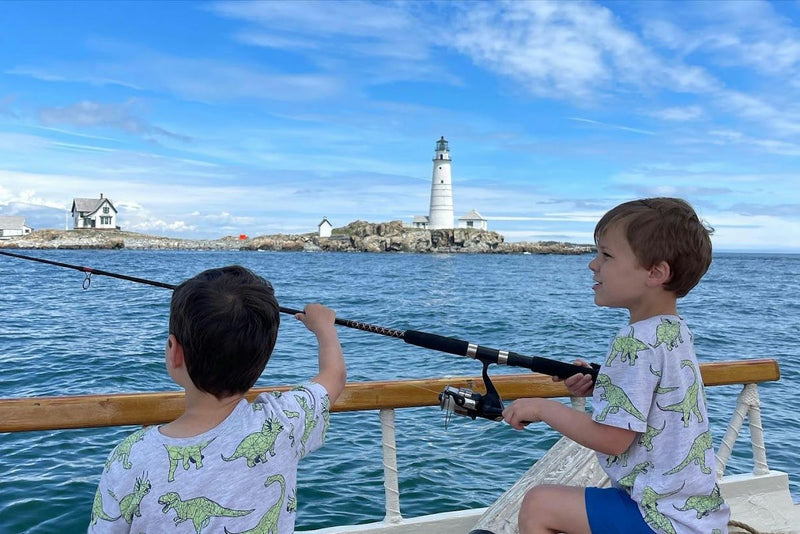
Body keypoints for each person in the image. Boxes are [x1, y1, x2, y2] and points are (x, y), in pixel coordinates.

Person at [502, 198, 730, 534]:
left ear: (656, 273)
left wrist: (542, 408)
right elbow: (657, 399)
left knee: (539, 504)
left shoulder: (634, 341)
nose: (593, 265)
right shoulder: (674, 330)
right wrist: (604, 383)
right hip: (697, 518)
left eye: (606, 255)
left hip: (658, 518)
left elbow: (612, 439)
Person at [88, 265, 346, 534]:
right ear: (263, 358)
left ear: (174, 352)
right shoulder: (284, 422)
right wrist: (324, 328)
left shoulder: (129, 456)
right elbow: (334, 376)